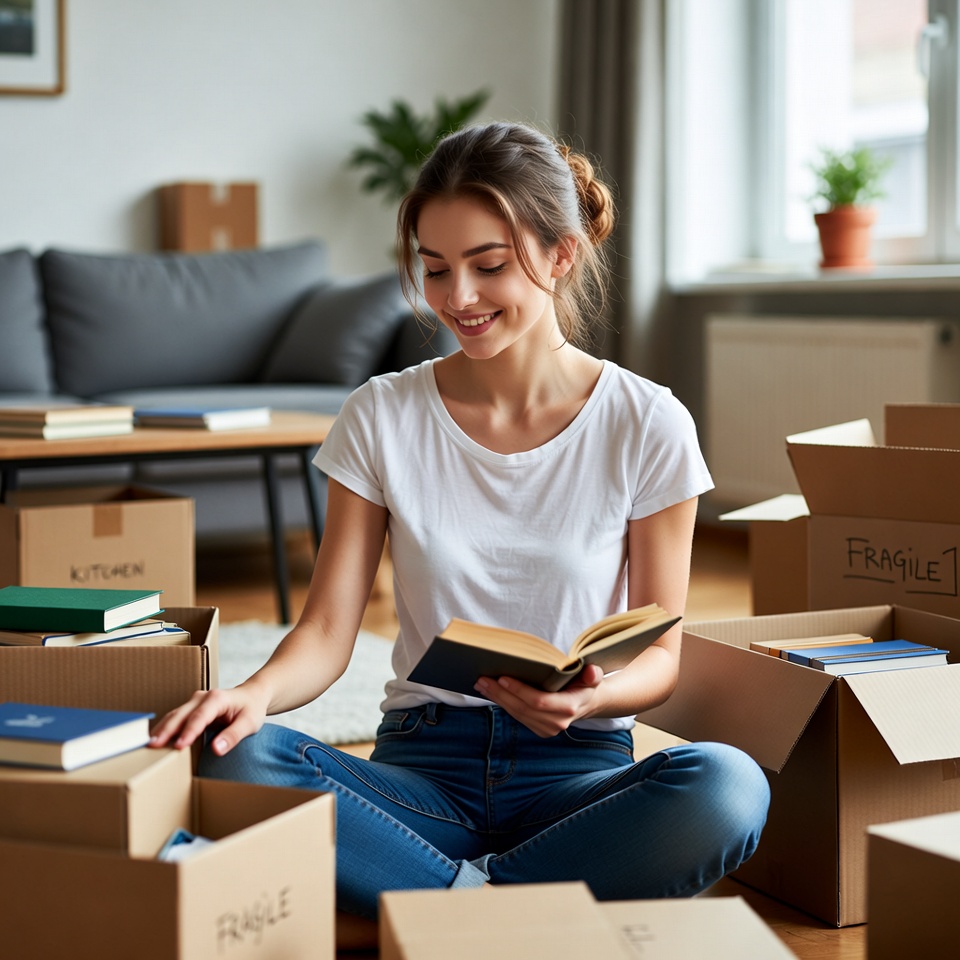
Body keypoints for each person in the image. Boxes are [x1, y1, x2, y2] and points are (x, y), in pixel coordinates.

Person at [150, 121, 770, 938]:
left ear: (561, 255)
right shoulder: (382, 414)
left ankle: (437, 907)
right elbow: (331, 629)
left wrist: (593, 700)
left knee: (727, 786)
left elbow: (659, 652)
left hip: (575, 774)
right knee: (234, 750)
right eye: (435, 269)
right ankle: (501, 916)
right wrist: (252, 693)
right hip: (421, 774)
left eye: (488, 265)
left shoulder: (646, 421)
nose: (458, 299)